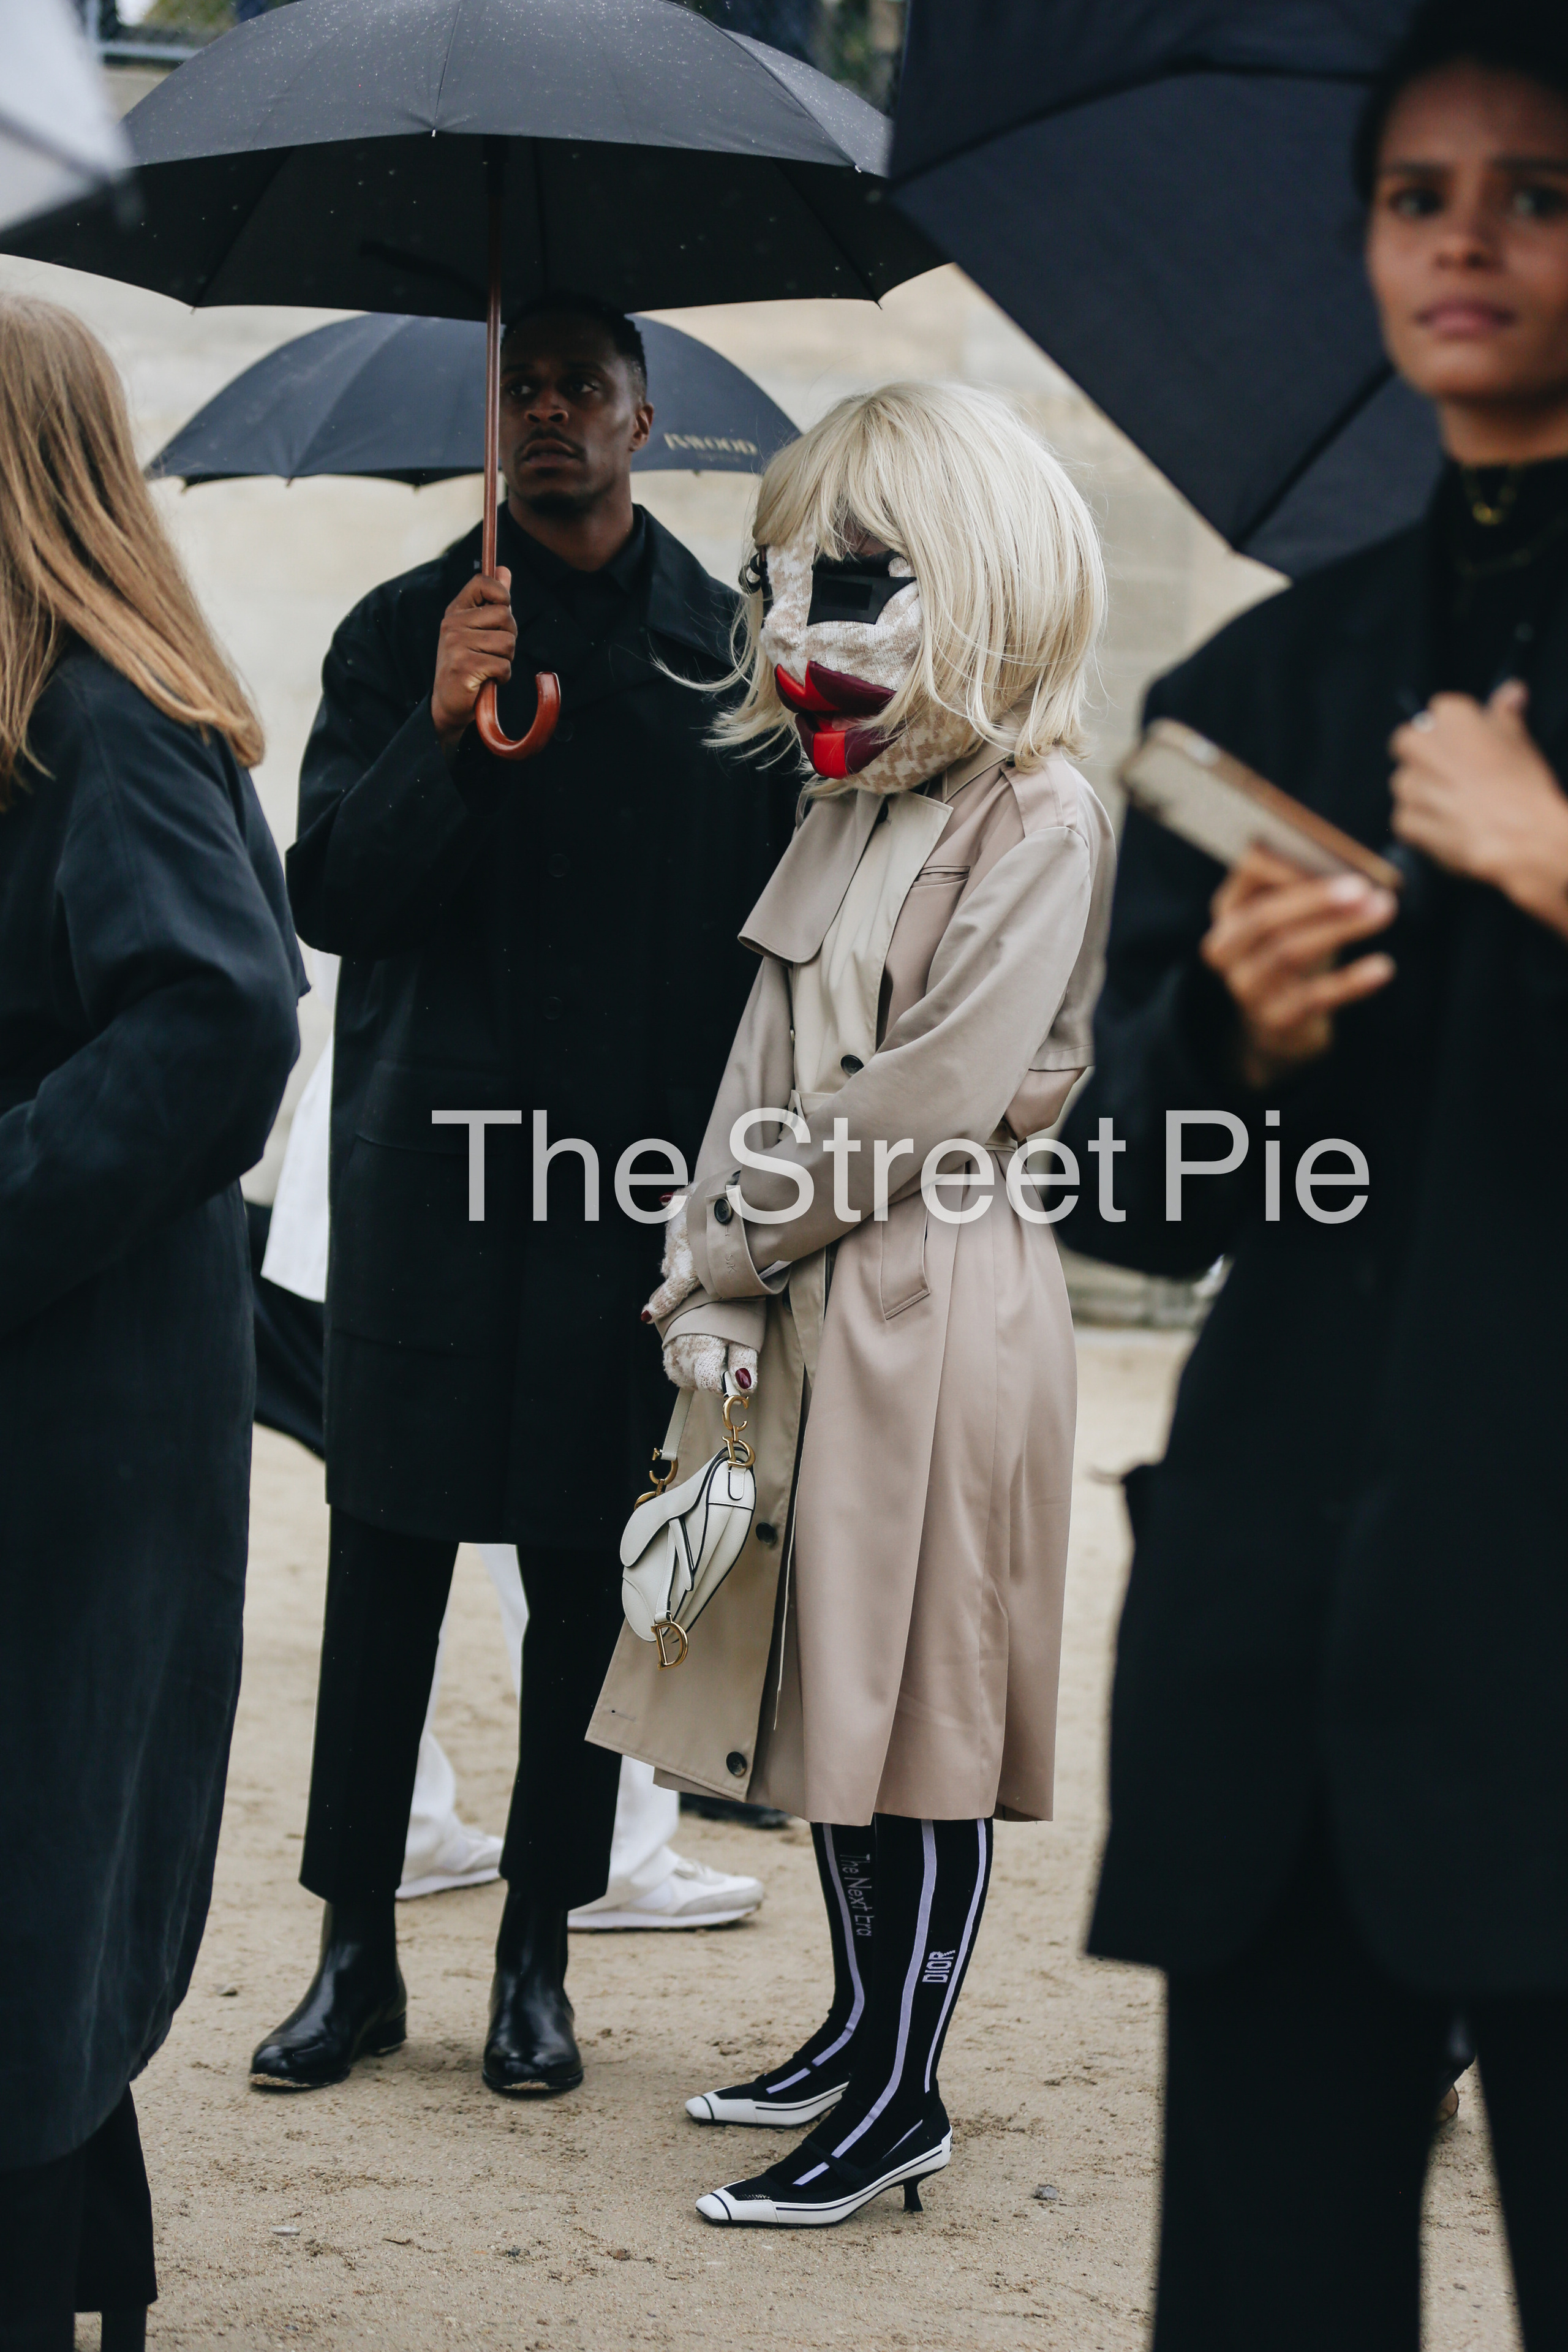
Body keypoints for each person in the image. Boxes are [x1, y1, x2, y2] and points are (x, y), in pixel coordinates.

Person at [1057, 6, 1568, 2342]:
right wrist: (1233, 1043)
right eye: (1416, 196)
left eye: (1536, 194)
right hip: (1293, 1679)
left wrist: (1553, 865)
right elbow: (1126, 1197)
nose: (1467, 240)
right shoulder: (1260, 698)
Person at [253, 296, 793, 2098]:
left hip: (623, 1194)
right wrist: (440, 732)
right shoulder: (400, 629)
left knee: (586, 1575)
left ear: (643, 421)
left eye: (582, 386)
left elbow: (765, 940)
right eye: (521, 387)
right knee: (385, 1569)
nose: (548, 411)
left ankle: (535, 1963)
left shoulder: (728, 653)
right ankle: (354, 1954)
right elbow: (333, 898)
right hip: (429, 1180)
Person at [590, 381, 1114, 2225]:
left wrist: (726, 1251)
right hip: (804, 1290)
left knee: (922, 1707)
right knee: (821, 1676)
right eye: (788, 573)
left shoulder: (1041, 813)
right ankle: (850, 2033)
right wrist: (706, 1261)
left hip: (935, 1300)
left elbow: (927, 1096)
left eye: (862, 570)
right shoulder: (849, 791)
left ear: (975, 572)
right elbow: (761, 1050)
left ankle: (901, 2094)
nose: (802, 613)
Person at [0, 298, 303, 2350]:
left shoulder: (110, 713)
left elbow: (220, 1020)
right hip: (57, 1381)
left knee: (34, 1884)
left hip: (79, 1407)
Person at [254, 957, 766, 1923]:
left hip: (400, 1161)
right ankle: (616, 1853)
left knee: (423, 1532)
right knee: (544, 1538)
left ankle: (422, 1825)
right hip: (477, 1173)